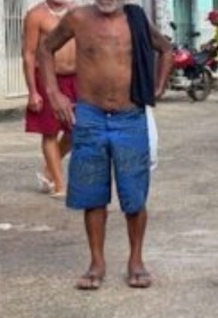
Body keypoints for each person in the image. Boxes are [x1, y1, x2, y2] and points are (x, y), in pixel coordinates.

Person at [39, 0, 173, 290]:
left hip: (130, 116)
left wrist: (159, 86)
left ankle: (136, 260)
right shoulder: (77, 18)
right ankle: (96, 262)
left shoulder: (136, 19)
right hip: (90, 117)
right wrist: (53, 93)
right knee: (92, 194)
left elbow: (165, 48)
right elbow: (46, 48)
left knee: (134, 195)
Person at [22, 0, 77, 198]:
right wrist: (33, 91)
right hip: (48, 78)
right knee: (50, 131)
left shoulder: (76, 11)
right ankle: (59, 184)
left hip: (76, 78)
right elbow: (28, 54)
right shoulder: (37, 15)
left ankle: (49, 170)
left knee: (77, 130)